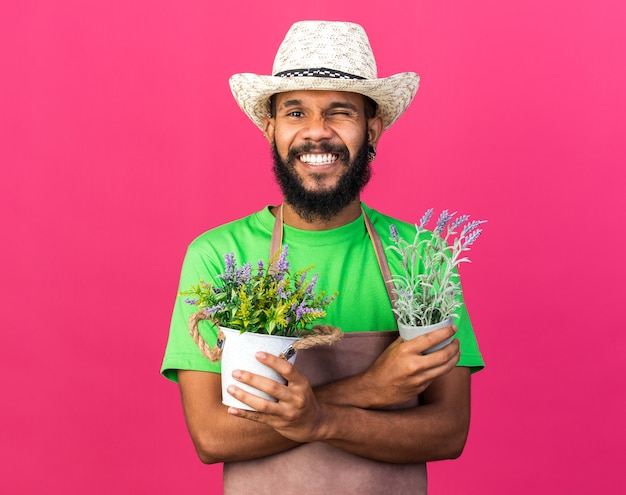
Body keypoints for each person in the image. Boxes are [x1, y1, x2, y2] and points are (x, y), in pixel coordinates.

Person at [161, 20, 484, 494]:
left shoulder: (422, 257)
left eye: (339, 112)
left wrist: (319, 419)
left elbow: (449, 430)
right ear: (270, 128)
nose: (317, 133)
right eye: (295, 113)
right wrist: (367, 390)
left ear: (371, 128)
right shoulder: (217, 255)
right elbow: (212, 437)